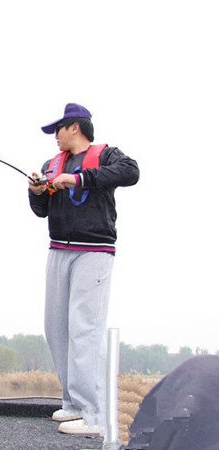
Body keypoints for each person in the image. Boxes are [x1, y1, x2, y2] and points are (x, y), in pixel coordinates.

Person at [28, 103, 139, 435]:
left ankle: (94, 416)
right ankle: (74, 404)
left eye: (57, 130)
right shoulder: (51, 165)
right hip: (58, 251)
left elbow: (131, 172)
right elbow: (41, 209)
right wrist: (36, 191)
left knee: (84, 329)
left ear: (74, 127)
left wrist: (78, 179)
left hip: (94, 251)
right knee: (56, 328)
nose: (54, 137)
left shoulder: (106, 155)